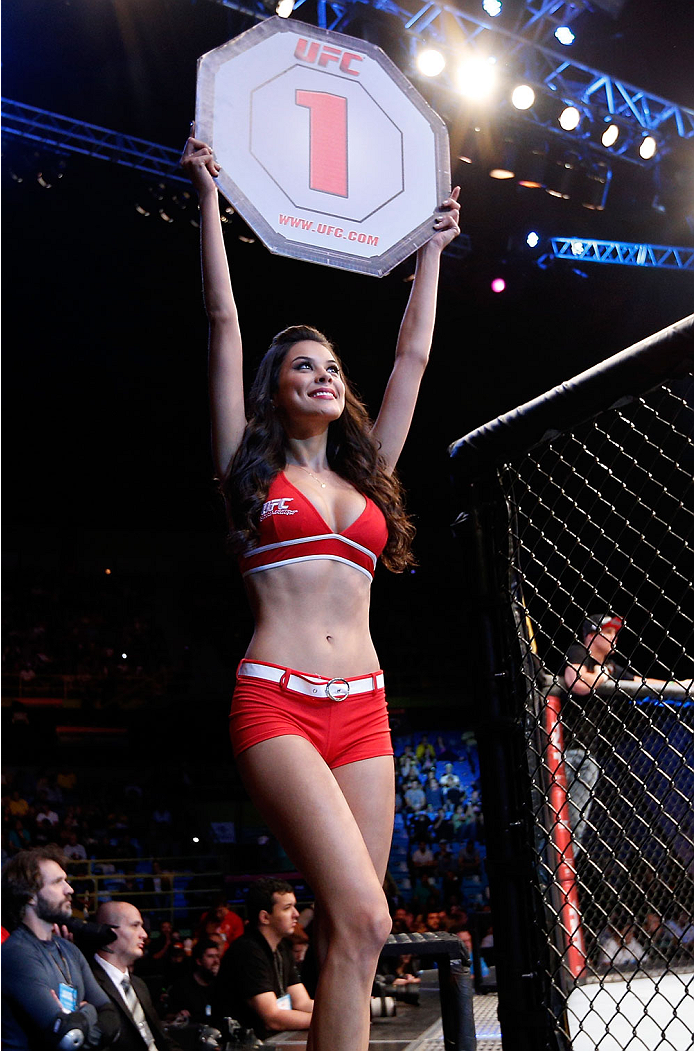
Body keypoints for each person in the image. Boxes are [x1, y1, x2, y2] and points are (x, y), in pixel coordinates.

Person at [181, 128, 460, 1051]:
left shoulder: (369, 474)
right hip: (280, 703)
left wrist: (431, 251)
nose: (326, 375)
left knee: (357, 933)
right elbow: (223, 326)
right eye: (306, 365)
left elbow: (410, 361)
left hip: (368, 708)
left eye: (334, 367)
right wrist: (207, 200)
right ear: (277, 388)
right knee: (366, 918)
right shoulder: (248, 472)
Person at [1, 846, 119, 1049]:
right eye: (57, 882)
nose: (69, 889)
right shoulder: (17, 953)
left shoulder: (69, 949)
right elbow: (67, 1038)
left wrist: (79, 1020)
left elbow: (111, 1017)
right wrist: (90, 1012)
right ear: (30, 896)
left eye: (65, 880)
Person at [214, 879, 313, 1039]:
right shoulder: (247, 951)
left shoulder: (282, 948)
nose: (296, 914)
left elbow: (303, 1003)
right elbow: (272, 1018)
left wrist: (344, 1013)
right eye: (287, 908)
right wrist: (328, 1021)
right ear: (265, 917)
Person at [91, 900, 180, 1051]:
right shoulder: (88, 983)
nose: (144, 934)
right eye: (135, 925)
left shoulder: (138, 984)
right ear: (109, 931)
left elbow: (161, 1039)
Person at [165, 938, 220, 1024]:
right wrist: (178, 1015)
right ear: (199, 961)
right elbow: (168, 1015)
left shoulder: (222, 984)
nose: (216, 961)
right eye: (210, 956)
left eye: (217, 956)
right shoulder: (182, 986)